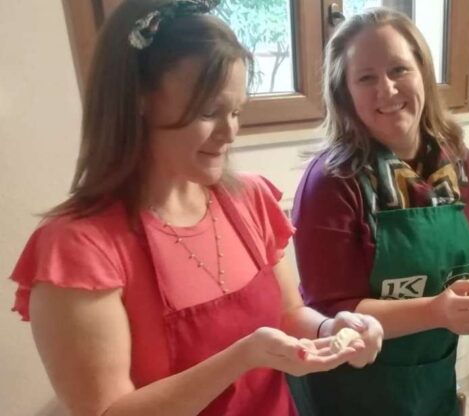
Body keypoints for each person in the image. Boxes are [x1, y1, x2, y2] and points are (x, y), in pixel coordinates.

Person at [8, 1, 382, 415]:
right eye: (209, 112)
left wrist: (332, 330)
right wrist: (241, 357)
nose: (230, 132)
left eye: (237, 111)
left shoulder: (250, 200)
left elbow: (290, 315)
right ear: (138, 100)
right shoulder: (79, 248)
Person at [287, 7, 469, 416]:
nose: (387, 89)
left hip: (431, 382)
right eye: (366, 77)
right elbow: (330, 309)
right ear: (344, 92)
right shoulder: (331, 181)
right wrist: (438, 311)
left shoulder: (462, 166)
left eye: (399, 69)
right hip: (353, 390)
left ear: (423, 74)